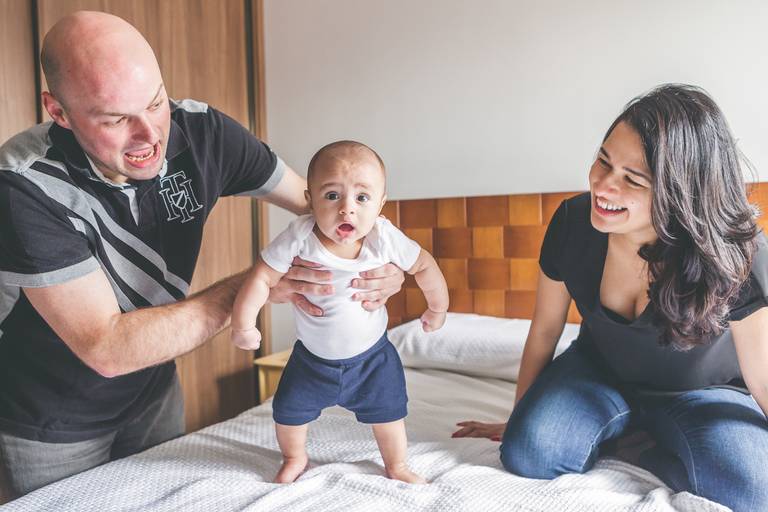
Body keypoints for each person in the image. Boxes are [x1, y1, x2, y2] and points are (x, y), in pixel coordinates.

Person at [0, 12, 404, 498]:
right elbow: (106, 348)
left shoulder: (202, 131)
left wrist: (382, 260)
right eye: (115, 119)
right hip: (51, 420)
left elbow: (317, 203)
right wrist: (255, 287)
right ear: (58, 111)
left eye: (155, 103)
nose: (150, 135)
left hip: (154, 394)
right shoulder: (24, 185)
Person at [452, 84, 768, 511]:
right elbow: (544, 331)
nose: (603, 185)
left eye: (631, 179)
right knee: (527, 453)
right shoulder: (572, 223)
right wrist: (518, 417)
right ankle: (628, 429)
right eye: (603, 160)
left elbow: (762, 376)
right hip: (600, 374)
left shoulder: (737, 251)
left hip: (703, 391)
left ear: (680, 192)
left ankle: (646, 447)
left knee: (754, 491)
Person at [231, 140, 449, 484]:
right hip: (311, 361)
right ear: (310, 200)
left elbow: (423, 265)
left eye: (362, 197)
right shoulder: (299, 236)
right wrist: (244, 324)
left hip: (373, 360)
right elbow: (261, 277)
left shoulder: (384, 238)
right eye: (332, 195)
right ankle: (295, 457)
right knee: (287, 411)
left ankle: (396, 465)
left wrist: (437, 307)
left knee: (389, 414)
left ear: (381, 204)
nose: (347, 209)